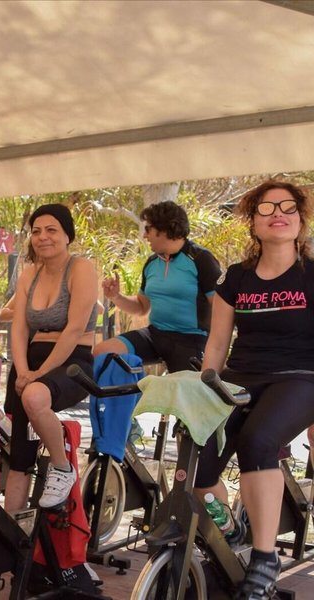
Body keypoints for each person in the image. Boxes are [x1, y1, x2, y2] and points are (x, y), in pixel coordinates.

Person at [194, 180, 314, 600]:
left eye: (287, 206)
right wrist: (205, 390)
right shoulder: (237, 277)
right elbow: (217, 343)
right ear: (254, 222)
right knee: (196, 465)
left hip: (301, 376)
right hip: (241, 375)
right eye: (266, 208)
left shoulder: (311, 274)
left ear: (300, 220)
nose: (277, 213)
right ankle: (230, 529)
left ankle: (265, 559)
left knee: (258, 440)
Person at [3, 204, 98, 511]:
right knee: (19, 456)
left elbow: (74, 330)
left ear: (67, 235)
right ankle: (11, 527)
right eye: (36, 231)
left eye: (51, 230)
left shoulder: (81, 268)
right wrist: (23, 370)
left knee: (34, 397)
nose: (43, 237)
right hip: (30, 363)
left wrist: (37, 373)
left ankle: (62, 467)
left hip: (71, 362)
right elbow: (19, 328)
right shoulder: (29, 274)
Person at [94, 201, 221, 372]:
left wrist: (216, 349)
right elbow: (141, 307)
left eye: (148, 229)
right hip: (155, 335)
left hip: (191, 339)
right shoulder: (151, 263)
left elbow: (221, 309)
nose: (144, 236)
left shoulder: (201, 259)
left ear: (165, 229)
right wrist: (116, 296)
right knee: (103, 353)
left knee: (180, 386)